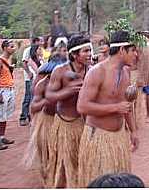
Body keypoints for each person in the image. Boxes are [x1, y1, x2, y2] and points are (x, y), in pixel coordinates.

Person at [77, 30, 139, 187]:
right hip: (99, 137)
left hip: (118, 138)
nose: (136, 54)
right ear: (121, 50)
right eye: (133, 50)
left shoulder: (125, 72)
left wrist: (133, 131)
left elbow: (126, 106)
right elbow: (82, 106)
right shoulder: (97, 72)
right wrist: (115, 108)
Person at [46, 34, 92, 188]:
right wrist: (68, 91)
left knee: (84, 162)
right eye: (85, 51)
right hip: (65, 125)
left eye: (90, 50)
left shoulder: (91, 71)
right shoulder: (59, 71)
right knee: (64, 165)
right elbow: (50, 96)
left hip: (84, 124)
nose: (89, 54)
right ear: (74, 54)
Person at [24, 55, 66, 188]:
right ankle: (48, 181)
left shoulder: (69, 82)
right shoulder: (42, 84)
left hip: (65, 123)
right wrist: (49, 100)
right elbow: (34, 107)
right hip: (47, 122)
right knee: (47, 155)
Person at [0, 39, 17, 150]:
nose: (13, 48)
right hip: (2, 90)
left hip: (9, 89)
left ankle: (1, 137)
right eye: (11, 46)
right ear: (5, 48)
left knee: (4, 115)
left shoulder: (7, 60)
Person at [20, 37, 42, 126]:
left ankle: (31, 117)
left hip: (36, 79)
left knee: (33, 97)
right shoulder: (28, 51)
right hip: (30, 79)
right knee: (29, 97)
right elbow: (24, 63)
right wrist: (29, 73)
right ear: (35, 42)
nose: (41, 42)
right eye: (40, 41)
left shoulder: (39, 56)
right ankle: (24, 116)